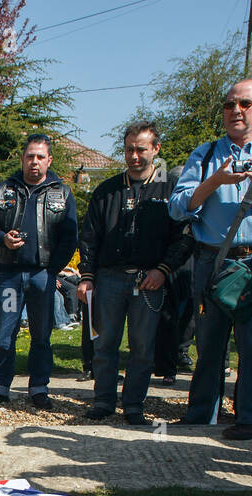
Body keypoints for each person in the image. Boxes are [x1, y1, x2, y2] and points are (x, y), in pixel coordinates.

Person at [168, 79, 252, 440]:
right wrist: (215, 181)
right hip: (212, 261)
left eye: (245, 103)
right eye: (229, 105)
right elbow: (179, 208)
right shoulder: (206, 154)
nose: (236, 111)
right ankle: (200, 416)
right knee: (208, 343)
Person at [76, 122, 194, 426]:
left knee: (142, 347)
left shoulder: (170, 192)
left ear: (155, 149)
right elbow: (89, 236)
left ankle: (133, 405)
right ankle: (103, 400)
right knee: (104, 344)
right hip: (110, 278)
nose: (134, 156)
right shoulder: (107, 190)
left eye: (141, 149)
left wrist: (163, 270)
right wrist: (87, 275)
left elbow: (183, 238)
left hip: (150, 280)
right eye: (129, 149)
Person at [0, 134, 80, 409]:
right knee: (7, 332)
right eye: (30, 156)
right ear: (23, 158)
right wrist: (2, 239)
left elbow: (71, 237)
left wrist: (52, 271)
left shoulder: (62, 193)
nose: (34, 162)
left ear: (49, 160)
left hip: (42, 276)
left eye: (40, 157)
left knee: (41, 334)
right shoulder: (4, 190)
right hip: (9, 274)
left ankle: (39, 388)